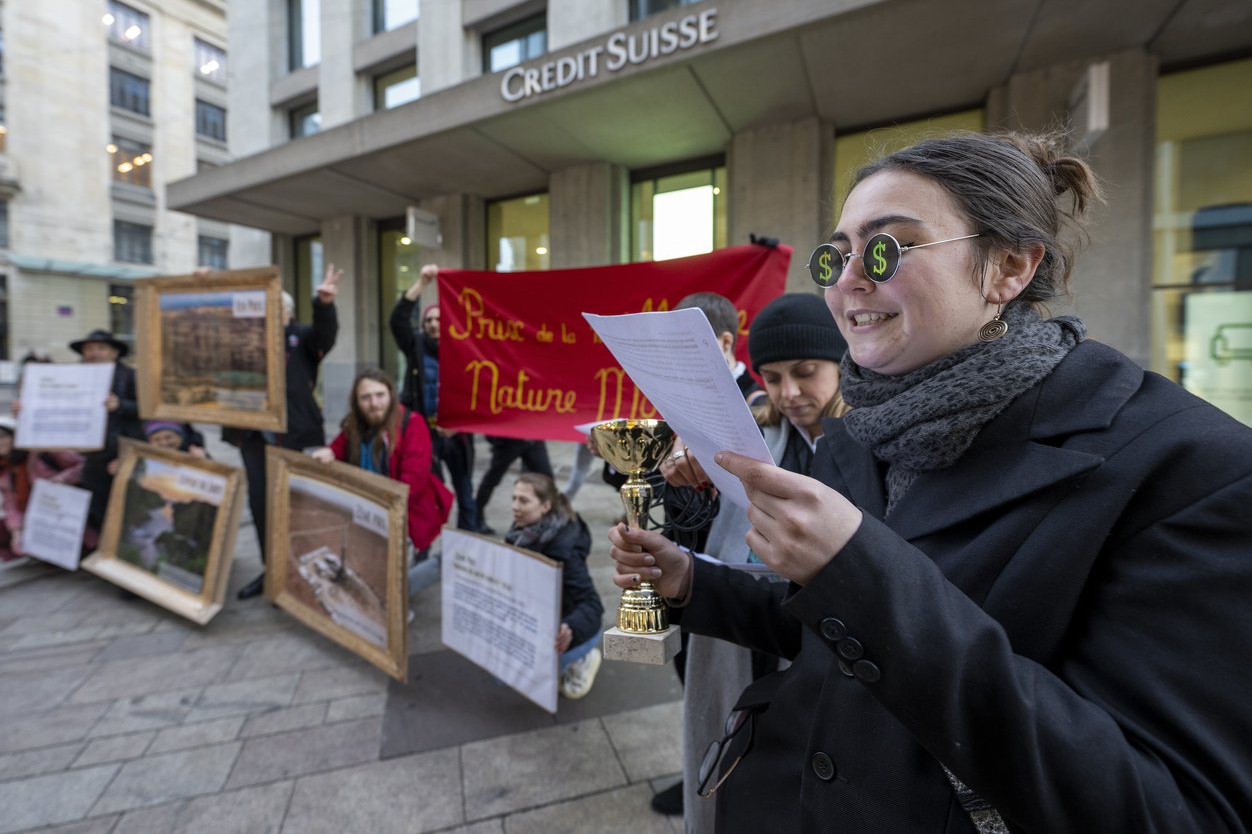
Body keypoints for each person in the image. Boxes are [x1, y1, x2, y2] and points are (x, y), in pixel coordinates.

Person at [610, 132, 1252, 832]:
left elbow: (1163, 808)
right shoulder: (858, 434)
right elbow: (822, 629)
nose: (849, 279)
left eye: (886, 249)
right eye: (836, 255)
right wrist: (692, 582)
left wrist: (862, 574)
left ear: (1007, 266)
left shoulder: (1190, 468)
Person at [660, 292, 849, 827]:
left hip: (818, 643)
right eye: (770, 377)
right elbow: (703, 537)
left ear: (840, 363)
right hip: (739, 632)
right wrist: (687, 489)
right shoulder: (752, 438)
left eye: (805, 372)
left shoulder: (865, 448)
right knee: (735, 758)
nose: (788, 392)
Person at [230, 264, 342, 600]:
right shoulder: (243, 340)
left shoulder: (303, 337)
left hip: (289, 436)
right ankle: (272, 573)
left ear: (288, 313)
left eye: (276, 307)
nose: (269, 313)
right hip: (250, 435)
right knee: (261, 505)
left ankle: (296, 574)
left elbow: (326, 336)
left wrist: (324, 305)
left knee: (290, 505)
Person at [311, 367, 453, 594]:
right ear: (357, 402)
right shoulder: (355, 424)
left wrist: (381, 515)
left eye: (380, 395)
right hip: (367, 511)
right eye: (365, 398)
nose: (374, 403)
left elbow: (412, 483)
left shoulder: (412, 423)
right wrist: (329, 453)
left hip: (406, 514)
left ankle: (431, 572)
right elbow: (340, 446)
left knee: (397, 581)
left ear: (391, 395)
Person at [390, 263, 478, 531]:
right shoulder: (414, 345)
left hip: (456, 437)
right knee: (426, 494)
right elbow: (397, 320)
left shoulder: (466, 348)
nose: (433, 324)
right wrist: (422, 283)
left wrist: (457, 426)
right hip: (423, 434)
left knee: (465, 495)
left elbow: (477, 393)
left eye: (439, 319)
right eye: (428, 320)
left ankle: (468, 547)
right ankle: (424, 548)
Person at [507, 473, 604, 700]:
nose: (514, 507)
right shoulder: (523, 533)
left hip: (569, 629)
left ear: (546, 506)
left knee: (535, 674)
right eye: (514, 498)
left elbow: (592, 604)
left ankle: (582, 659)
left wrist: (570, 628)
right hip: (539, 617)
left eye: (523, 501)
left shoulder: (564, 552)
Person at [63, 329, 142, 541]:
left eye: (100, 348)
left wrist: (121, 405)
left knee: (130, 510)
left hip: (124, 455)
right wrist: (23, 409)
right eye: (89, 349)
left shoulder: (130, 376)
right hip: (92, 458)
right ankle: (106, 554)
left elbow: (148, 411)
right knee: (99, 509)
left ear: (114, 352)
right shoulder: (72, 377)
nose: (94, 353)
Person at [0, 416, 84, 562]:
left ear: (16, 435)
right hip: (34, 517)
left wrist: (65, 478)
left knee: (54, 561)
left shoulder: (43, 452)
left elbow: (85, 466)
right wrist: (17, 532)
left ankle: (76, 549)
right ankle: (38, 549)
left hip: (67, 512)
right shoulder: (2, 469)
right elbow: (10, 505)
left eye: (2, 436)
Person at [473, 436, 552, 535]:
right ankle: (476, 516)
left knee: (547, 480)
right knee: (492, 478)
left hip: (532, 435)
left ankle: (548, 519)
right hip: (510, 438)